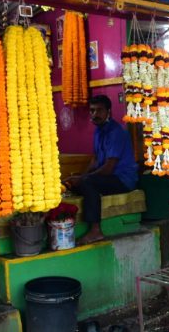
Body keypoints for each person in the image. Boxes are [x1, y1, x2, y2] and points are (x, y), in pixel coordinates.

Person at [63, 95, 138, 244]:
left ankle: (96, 231)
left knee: (87, 182)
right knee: (78, 182)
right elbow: (95, 160)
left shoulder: (116, 132)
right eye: (92, 111)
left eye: (99, 110)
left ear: (108, 112)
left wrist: (84, 179)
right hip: (107, 178)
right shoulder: (99, 130)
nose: (94, 114)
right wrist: (80, 176)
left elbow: (109, 168)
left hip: (123, 180)